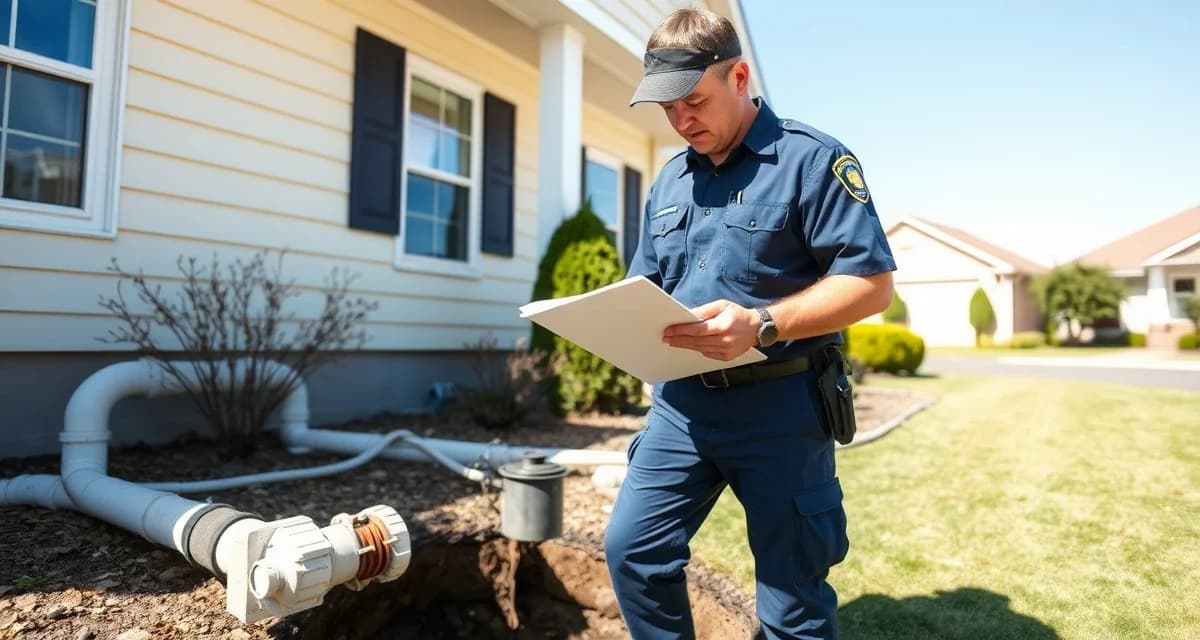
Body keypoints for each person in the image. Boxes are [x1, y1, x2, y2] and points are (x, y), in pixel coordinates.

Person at [603, 8, 897, 640]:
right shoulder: (670, 180)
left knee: (791, 606)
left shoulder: (812, 160)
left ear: (738, 77)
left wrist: (764, 323)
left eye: (694, 102)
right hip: (682, 408)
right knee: (633, 552)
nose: (682, 122)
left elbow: (872, 285)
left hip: (781, 408)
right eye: (668, 110)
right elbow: (645, 287)